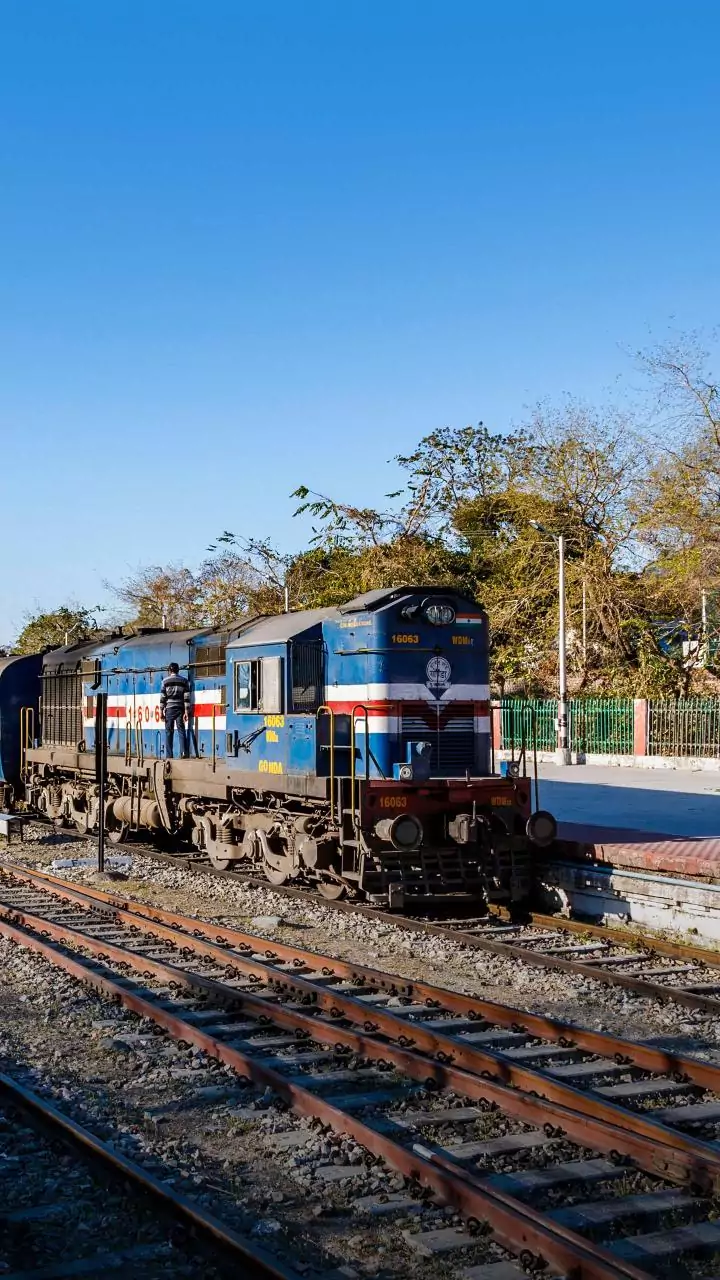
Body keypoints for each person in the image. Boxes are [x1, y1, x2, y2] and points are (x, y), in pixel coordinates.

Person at [160, 662, 191, 758]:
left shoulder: (165, 681)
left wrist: (161, 711)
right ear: (178, 670)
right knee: (181, 731)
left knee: (169, 732)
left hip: (169, 709)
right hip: (180, 709)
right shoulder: (184, 681)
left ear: (169, 671)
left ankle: (169, 755)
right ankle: (183, 753)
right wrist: (186, 712)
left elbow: (163, 698)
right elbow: (186, 698)